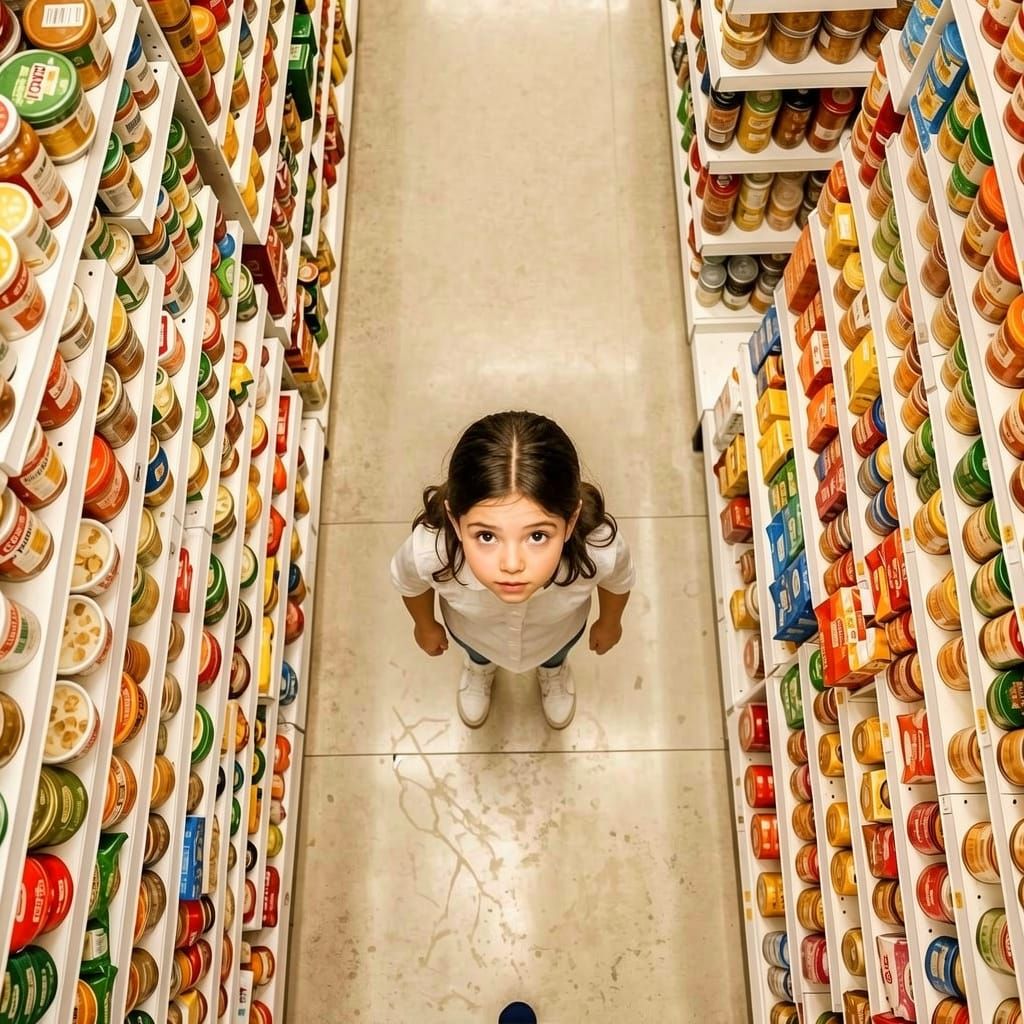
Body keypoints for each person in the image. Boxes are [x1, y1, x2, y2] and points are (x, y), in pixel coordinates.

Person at [390, 411, 634, 729]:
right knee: (477, 652)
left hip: (557, 632)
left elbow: (618, 579)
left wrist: (610, 621)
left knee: (555, 652)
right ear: (455, 520)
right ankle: (479, 669)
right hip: (474, 633)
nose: (512, 564)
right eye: (487, 536)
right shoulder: (429, 550)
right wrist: (425, 624)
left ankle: (553, 671)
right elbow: (410, 582)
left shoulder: (599, 546)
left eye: (537, 536)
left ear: (571, 521)